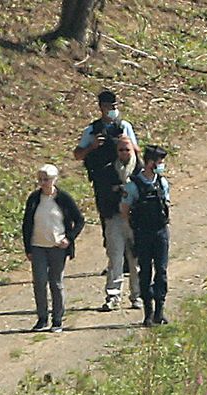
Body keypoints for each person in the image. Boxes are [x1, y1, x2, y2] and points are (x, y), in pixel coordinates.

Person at [73, 90, 141, 268]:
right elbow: (78, 154)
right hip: (103, 183)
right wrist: (92, 146)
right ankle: (114, 260)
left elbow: (136, 150)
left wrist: (124, 142)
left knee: (130, 217)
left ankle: (130, 259)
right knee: (108, 220)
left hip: (125, 178)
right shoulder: (92, 130)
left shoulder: (124, 126)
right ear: (101, 107)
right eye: (109, 107)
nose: (112, 110)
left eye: (115, 106)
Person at [22, 164, 85, 333]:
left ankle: (57, 320)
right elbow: (27, 223)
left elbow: (79, 220)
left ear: (54, 179)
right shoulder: (34, 198)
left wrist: (69, 239)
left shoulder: (64, 198)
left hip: (58, 247)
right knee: (39, 282)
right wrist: (27, 247)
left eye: (46, 179)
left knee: (56, 283)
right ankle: (42, 318)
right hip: (38, 247)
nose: (43, 183)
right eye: (40, 179)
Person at [120, 145, 171, 326]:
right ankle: (148, 313)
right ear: (150, 163)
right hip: (142, 233)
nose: (162, 165)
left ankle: (160, 311)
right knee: (145, 273)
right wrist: (131, 232)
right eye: (159, 162)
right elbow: (124, 210)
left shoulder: (162, 183)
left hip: (160, 232)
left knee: (162, 272)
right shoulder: (133, 185)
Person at [94, 137, 142, 311]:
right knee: (115, 259)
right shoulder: (108, 171)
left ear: (133, 151)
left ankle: (137, 296)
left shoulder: (140, 171)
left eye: (127, 150)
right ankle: (113, 296)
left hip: (135, 221)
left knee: (135, 259)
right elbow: (101, 196)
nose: (124, 153)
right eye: (121, 150)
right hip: (114, 219)